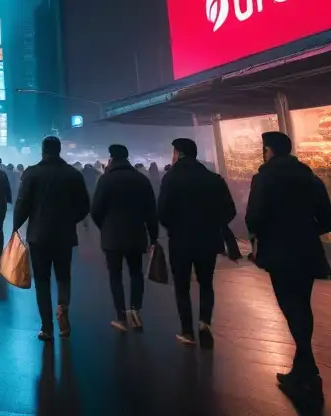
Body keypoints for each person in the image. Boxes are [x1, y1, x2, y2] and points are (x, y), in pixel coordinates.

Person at [246, 131, 331, 400]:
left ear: (268, 150)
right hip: (307, 251)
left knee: (291, 307)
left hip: (279, 253)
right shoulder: (309, 176)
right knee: (301, 306)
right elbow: (328, 219)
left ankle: (309, 372)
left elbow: (253, 217)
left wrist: (268, 234)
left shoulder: (264, 177)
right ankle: (302, 370)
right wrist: (307, 230)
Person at [158, 137, 236, 347]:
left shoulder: (170, 179)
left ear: (179, 153)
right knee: (206, 283)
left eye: (173, 152)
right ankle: (204, 323)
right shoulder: (213, 178)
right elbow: (230, 210)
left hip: (180, 242)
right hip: (208, 241)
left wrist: (174, 227)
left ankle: (187, 331)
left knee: (182, 286)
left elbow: (162, 212)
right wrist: (212, 224)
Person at [13, 136, 91, 341]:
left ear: (42, 151)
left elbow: (22, 203)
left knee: (42, 281)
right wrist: (70, 219)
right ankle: (63, 307)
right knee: (64, 277)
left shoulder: (32, 173)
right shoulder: (73, 174)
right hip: (64, 236)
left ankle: (46, 327)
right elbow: (85, 206)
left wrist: (15, 226)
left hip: (38, 236)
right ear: (59, 150)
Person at [91, 144, 158, 332]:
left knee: (115, 276)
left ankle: (121, 316)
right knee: (136, 273)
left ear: (112, 158)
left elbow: (95, 210)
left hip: (112, 238)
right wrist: (153, 237)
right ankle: (135, 309)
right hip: (136, 236)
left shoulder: (105, 180)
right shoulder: (141, 180)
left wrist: (104, 227)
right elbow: (151, 211)